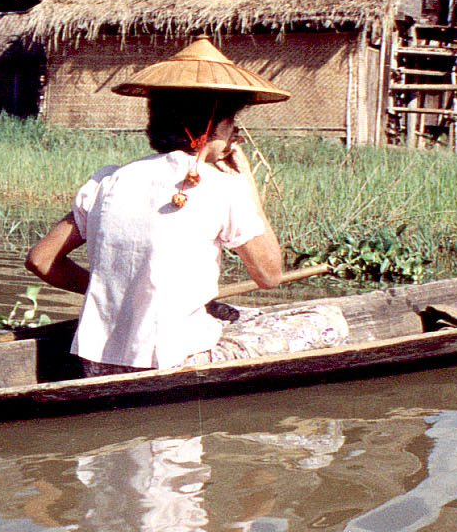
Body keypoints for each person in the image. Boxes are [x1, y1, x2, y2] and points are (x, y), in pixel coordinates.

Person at [26, 37, 347, 377]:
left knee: (230, 311)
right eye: (232, 123)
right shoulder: (223, 187)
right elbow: (269, 275)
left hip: (96, 362)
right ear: (211, 127)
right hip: (172, 363)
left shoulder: (109, 181)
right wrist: (248, 185)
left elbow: (41, 260)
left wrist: (114, 293)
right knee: (328, 320)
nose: (237, 133)